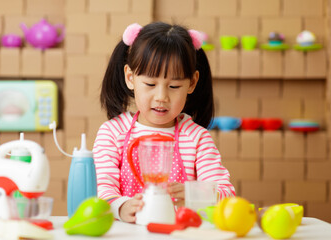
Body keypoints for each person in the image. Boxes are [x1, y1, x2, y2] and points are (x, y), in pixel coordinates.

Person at [93, 21, 235, 223]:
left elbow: (227, 195)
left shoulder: (196, 138)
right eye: (150, 84)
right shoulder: (112, 133)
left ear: (192, 83)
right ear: (130, 77)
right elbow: (103, 191)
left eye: (174, 86)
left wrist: (193, 194)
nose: (161, 97)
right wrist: (121, 206)